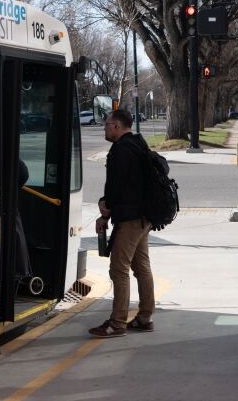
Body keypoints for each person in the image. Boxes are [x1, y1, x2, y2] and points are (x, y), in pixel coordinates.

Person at [89, 109, 155, 338]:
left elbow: (115, 187)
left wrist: (104, 213)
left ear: (117, 126)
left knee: (119, 269)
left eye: (107, 125)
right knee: (141, 267)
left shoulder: (119, 150)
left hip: (130, 218)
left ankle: (117, 323)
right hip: (145, 216)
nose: (105, 129)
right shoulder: (139, 143)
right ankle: (145, 317)